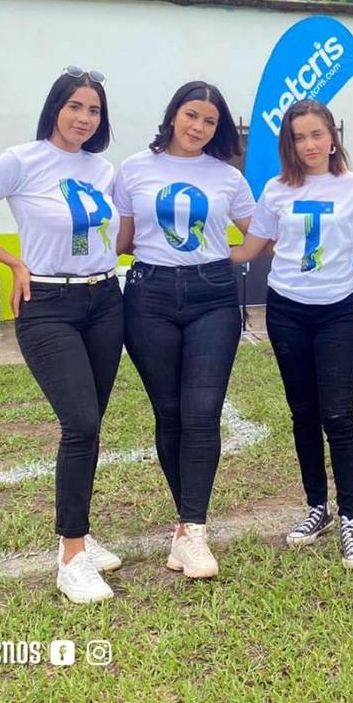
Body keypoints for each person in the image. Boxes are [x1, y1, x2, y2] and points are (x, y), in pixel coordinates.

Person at [0, 67, 123, 604]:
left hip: (105, 300)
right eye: (75, 106)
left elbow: (109, 234)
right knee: (79, 422)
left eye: (94, 110)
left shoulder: (103, 169)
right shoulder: (20, 160)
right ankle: (71, 557)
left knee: (91, 425)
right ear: (55, 108)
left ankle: (80, 533)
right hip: (48, 304)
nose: (84, 118)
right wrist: (13, 262)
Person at [114, 82, 252, 579]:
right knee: (169, 413)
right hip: (148, 296)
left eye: (210, 121)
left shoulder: (227, 177)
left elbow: (258, 233)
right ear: (173, 114)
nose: (199, 127)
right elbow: (122, 240)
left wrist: (226, 259)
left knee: (203, 412)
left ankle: (195, 529)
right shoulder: (134, 168)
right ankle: (184, 526)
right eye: (192, 115)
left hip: (213, 297)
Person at [230, 100, 353, 569]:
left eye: (316, 134)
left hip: (336, 313)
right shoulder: (276, 190)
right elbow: (253, 247)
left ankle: (350, 518)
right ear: (288, 144)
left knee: (339, 415)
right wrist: (200, 252)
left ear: (332, 137)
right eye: (298, 137)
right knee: (303, 413)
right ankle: (318, 507)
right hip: (287, 310)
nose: (309, 144)